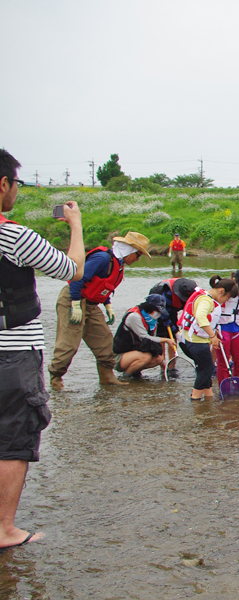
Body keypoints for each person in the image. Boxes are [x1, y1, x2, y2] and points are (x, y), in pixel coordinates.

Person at [0, 149, 84, 551]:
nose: (15, 190)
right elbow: (72, 270)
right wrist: (75, 224)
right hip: (13, 352)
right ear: (3, 184)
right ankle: (5, 529)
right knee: (13, 438)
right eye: (16, 183)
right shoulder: (13, 235)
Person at [49, 231, 150, 389]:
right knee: (69, 343)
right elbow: (78, 277)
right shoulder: (102, 259)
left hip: (92, 304)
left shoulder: (118, 265)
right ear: (129, 250)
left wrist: (107, 304)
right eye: (137, 255)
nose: (137, 259)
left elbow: (103, 286)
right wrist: (75, 304)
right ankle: (55, 378)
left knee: (104, 341)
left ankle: (106, 377)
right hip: (74, 299)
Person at [179, 276, 239, 400]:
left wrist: (213, 331)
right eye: (226, 298)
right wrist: (212, 336)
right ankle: (195, 399)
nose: (224, 302)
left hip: (194, 340)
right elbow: (201, 318)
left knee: (204, 368)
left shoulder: (205, 296)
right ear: (221, 291)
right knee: (207, 369)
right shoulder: (206, 301)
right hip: (195, 342)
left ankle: (208, 396)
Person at [112, 294, 175, 378]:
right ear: (150, 308)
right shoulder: (134, 316)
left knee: (159, 359)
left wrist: (162, 364)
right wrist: (166, 340)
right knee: (146, 357)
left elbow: (152, 342)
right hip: (119, 356)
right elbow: (144, 337)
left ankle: (136, 373)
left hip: (134, 353)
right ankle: (126, 376)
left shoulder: (152, 321)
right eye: (158, 311)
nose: (159, 314)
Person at [147, 277, 197, 374]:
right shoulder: (167, 296)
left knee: (174, 336)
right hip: (160, 308)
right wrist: (175, 331)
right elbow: (165, 317)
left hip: (172, 308)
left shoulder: (193, 293)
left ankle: (172, 366)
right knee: (163, 335)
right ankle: (163, 365)